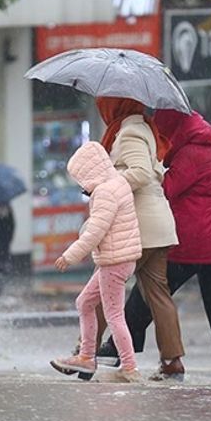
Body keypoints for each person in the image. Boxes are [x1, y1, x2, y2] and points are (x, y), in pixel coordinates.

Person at [98, 110, 211, 384]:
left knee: (150, 291)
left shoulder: (190, 155)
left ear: (173, 129)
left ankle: (115, 349)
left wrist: (150, 167)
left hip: (193, 243)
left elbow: (166, 189)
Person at [92, 97, 185, 381]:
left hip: (138, 226)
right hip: (158, 226)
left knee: (102, 288)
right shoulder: (145, 128)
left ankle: (86, 351)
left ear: (116, 105)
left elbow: (141, 173)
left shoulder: (130, 132)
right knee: (158, 294)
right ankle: (172, 361)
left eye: (105, 104)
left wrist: (107, 186)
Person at [50, 141, 142, 383]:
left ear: (88, 173)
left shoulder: (104, 192)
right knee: (84, 302)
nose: (81, 185)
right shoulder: (118, 182)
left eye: (80, 179)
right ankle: (86, 357)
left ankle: (129, 367)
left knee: (114, 316)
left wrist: (69, 256)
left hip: (114, 261)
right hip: (120, 258)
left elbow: (95, 232)